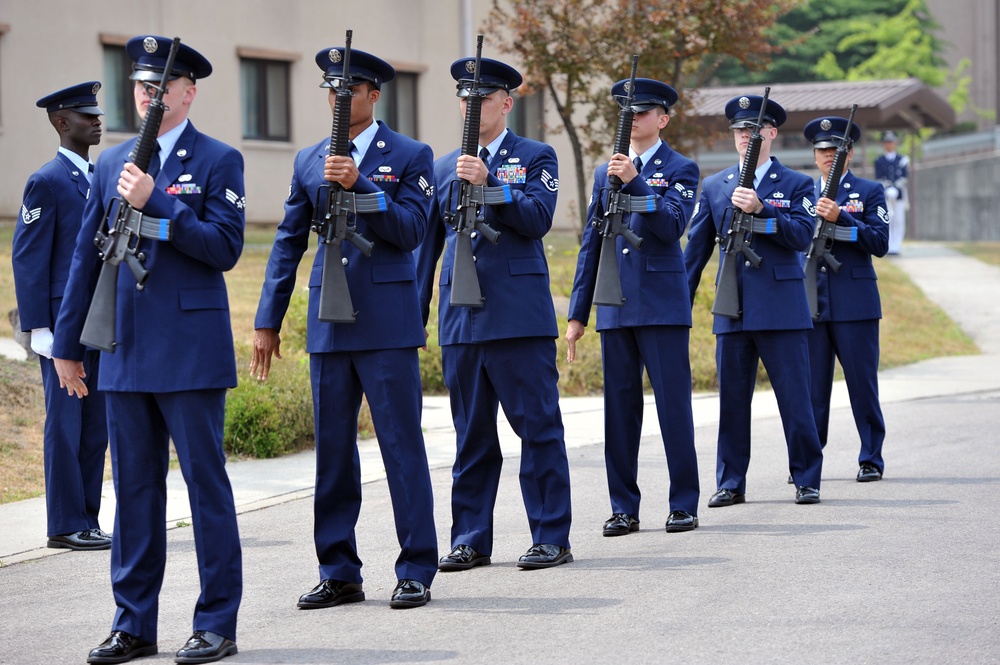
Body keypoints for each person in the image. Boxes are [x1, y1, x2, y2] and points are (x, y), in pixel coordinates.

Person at [52, 35, 243, 664]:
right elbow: (86, 256)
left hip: (189, 352)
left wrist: (156, 203)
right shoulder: (109, 164)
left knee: (204, 488)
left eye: (163, 86)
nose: (150, 96)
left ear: (189, 92)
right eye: (141, 86)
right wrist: (68, 344)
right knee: (133, 493)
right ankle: (133, 622)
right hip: (125, 350)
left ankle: (215, 622)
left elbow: (224, 249)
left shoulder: (218, 160)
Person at [251, 44, 438, 610]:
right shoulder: (308, 159)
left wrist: (361, 184)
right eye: (331, 90)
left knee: (401, 448)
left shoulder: (411, 154)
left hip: (385, 324)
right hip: (329, 323)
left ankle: (415, 569)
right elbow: (288, 241)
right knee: (332, 452)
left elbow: (410, 232)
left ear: (373, 96)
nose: (338, 98)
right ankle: (339, 570)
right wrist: (268, 319)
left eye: (349, 90)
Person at [414, 56, 573, 571]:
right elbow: (426, 251)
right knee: (471, 436)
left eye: (482, 97)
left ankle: (551, 535)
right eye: (464, 97)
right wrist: (414, 319)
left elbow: (538, 219)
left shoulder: (535, 156)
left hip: (518, 318)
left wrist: (491, 186)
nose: (471, 105)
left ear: (506, 103)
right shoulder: (440, 168)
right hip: (460, 319)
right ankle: (470, 538)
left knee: (538, 428)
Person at [565, 78, 700, 536]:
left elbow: (670, 227)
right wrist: (578, 313)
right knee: (619, 412)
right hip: (615, 303)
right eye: (626, 113)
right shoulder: (605, 173)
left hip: (661, 306)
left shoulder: (682, 167)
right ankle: (623, 505)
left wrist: (635, 180)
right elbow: (591, 243)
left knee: (672, 408)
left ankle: (682, 502)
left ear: (662, 119)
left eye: (641, 112)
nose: (633, 120)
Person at [683, 94, 824, 507]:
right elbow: (695, 251)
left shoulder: (797, 184)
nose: (746, 137)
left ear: (771, 133)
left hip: (781, 306)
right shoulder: (714, 186)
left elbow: (802, 236)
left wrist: (763, 212)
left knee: (795, 398)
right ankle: (730, 481)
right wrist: (681, 300)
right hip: (733, 305)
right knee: (731, 402)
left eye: (754, 130)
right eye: (740, 130)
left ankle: (807, 477)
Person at [12, 81, 110, 552]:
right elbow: (28, 260)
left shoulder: (100, 176)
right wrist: (41, 332)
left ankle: (87, 519)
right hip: (61, 328)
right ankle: (63, 522)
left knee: (96, 427)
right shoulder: (46, 181)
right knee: (65, 425)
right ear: (60, 122)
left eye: (97, 114)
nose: (97, 120)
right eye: (86, 114)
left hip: (99, 323)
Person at [803, 116, 890, 482]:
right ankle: (808, 462)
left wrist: (843, 220)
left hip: (855, 302)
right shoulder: (802, 191)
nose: (828, 156)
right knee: (813, 390)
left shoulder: (869, 191)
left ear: (849, 153)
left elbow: (880, 243)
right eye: (822, 150)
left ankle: (871, 457)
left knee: (862, 384)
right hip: (813, 303)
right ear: (815, 154)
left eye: (835, 150)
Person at [874, 130, 908, 255]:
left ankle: (897, 244)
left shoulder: (902, 159)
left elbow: (904, 177)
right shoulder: (879, 161)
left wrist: (896, 188)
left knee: (899, 219)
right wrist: (888, 188)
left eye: (891, 142)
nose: (889, 144)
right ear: (884, 144)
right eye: (887, 142)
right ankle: (888, 244)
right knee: (888, 219)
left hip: (898, 195)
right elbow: (878, 177)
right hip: (886, 196)